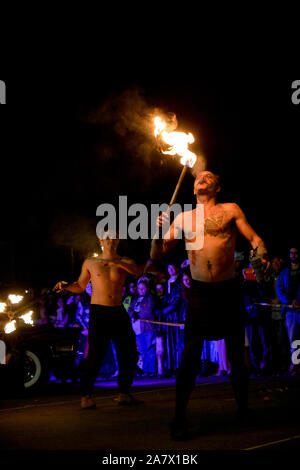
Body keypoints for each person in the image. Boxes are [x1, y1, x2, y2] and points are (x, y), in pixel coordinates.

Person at [151, 170, 268, 439]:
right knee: (190, 357)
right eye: (199, 177)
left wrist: (261, 252)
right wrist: (157, 232)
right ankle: (179, 418)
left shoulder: (230, 210)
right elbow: (158, 253)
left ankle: (243, 411)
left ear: (217, 187)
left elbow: (254, 239)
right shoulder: (182, 218)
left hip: (228, 291)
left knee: (237, 357)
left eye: (208, 176)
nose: (202, 177)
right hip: (200, 295)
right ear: (194, 189)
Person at [53, 230, 145, 409]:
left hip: (118, 311)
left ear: (118, 240)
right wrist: (65, 287)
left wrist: (118, 263)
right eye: (107, 238)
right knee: (95, 354)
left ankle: (124, 393)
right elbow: (80, 286)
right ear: (101, 241)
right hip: (99, 312)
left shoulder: (125, 261)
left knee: (128, 353)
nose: (111, 241)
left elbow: (139, 272)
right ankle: (86, 396)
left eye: (114, 238)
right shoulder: (91, 262)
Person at [277, 247, 300, 375]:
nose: (294, 255)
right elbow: (280, 290)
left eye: (296, 252)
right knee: (294, 339)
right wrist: (289, 302)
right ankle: (296, 364)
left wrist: (298, 300)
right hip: (290, 311)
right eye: (291, 253)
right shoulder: (285, 272)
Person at [128, 278, 156, 376]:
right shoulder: (135, 298)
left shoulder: (150, 297)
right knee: (143, 349)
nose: (141, 290)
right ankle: (146, 370)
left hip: (147, 327)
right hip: (137, 328)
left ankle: (152, 370)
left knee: (150, 348)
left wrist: (138, 315)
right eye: (139, 288)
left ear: (147, 288)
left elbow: (148, 310)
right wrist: (133, 314)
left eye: (143, 288)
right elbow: (130, 309)